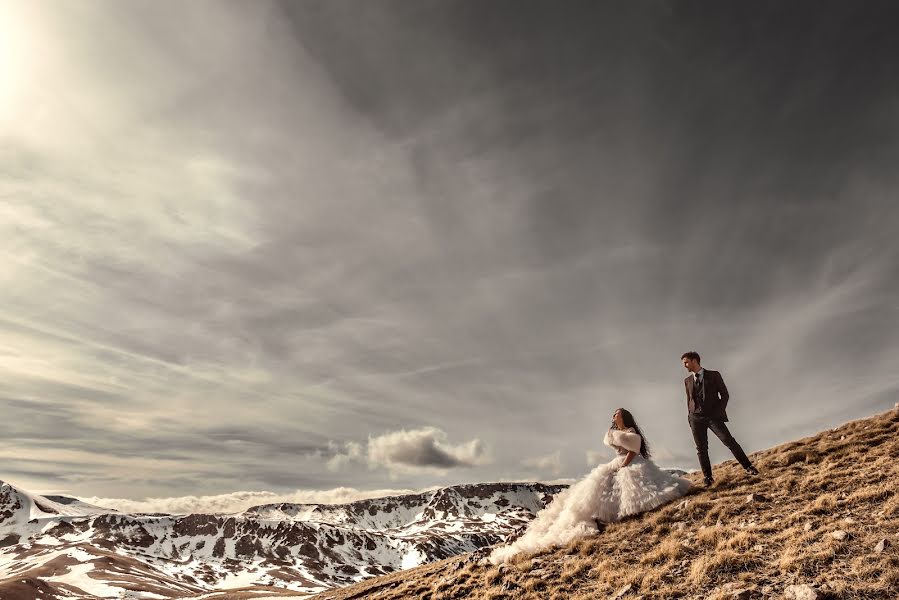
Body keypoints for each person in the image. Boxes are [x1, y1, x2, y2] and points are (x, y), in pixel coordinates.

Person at [489, 408, 691, 564]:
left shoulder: (631, 432)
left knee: (633, 490)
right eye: (614, 414)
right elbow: (613, 443)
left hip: (629, 463)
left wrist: (623, 466)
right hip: (617, 462)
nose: (615, 416)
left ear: (625, 417)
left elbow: (633, 451)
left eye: (617, 414)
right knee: (598, 490)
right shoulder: (617, 432)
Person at [681, 351, 759, 487]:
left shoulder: (714, 375)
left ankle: (748, 467)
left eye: (686, 362)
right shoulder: (687, 381)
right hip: (695, 418)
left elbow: (725, 394)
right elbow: (689, 400)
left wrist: (718, 412)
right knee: (701, 448)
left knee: (729, 441)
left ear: (694, 361)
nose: (685, 366)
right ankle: (708, 478)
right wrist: (690, 417)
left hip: (713, 416)